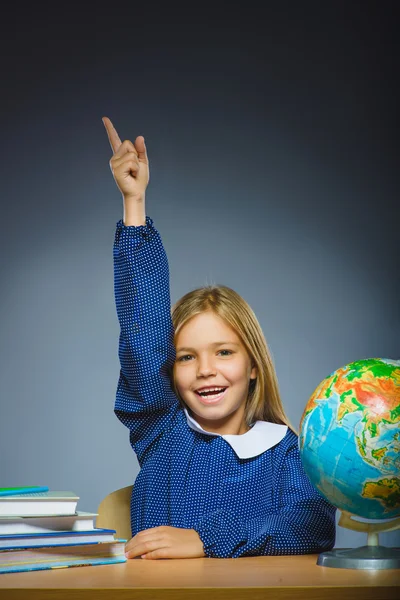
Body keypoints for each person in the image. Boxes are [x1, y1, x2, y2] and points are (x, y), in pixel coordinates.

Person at [102, 116, 337, 560]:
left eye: (224, 352)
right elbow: (143, 335)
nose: (205, 369)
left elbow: (312, 524)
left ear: (253, 365)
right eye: (186, 357)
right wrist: (135, 205)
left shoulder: (288, 454)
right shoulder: (162, 431)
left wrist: (204, 540)